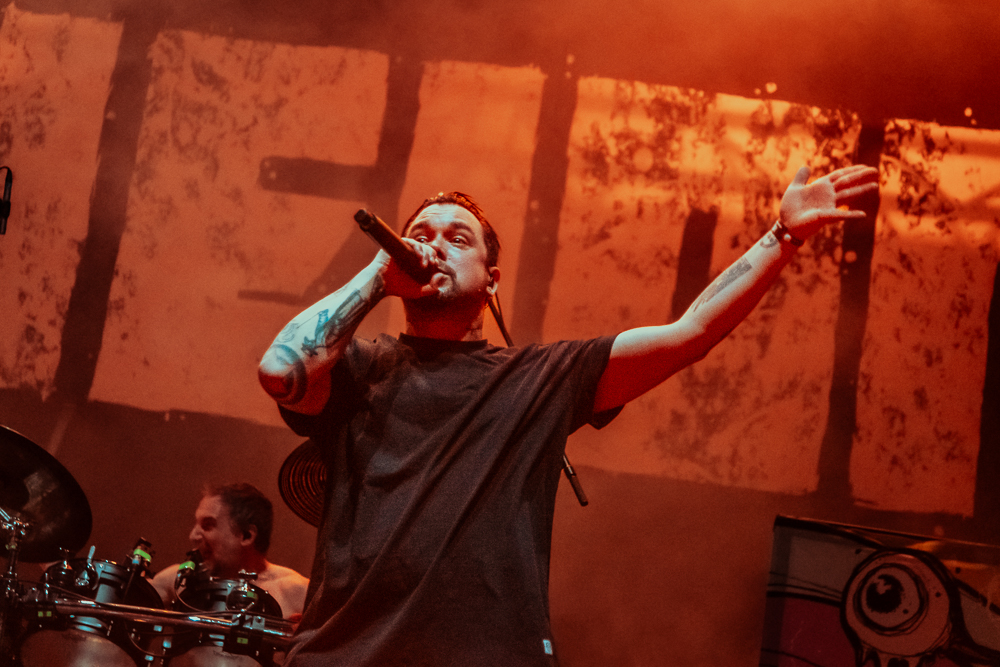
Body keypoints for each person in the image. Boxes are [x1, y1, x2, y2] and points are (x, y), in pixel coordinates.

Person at [257, 165, 880, 665]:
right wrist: (377, 275)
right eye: (421, 234)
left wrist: (782, 236)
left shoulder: (542, 378)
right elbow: (281, 371)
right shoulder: (356, 368)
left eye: (457, 238)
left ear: (492, 281)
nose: (434, 245)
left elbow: (689, 334)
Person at [150, 483, 310, 620]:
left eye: (208, 525)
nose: (193, 536)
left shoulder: (298, 593)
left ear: (246, 535)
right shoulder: (178, 581)